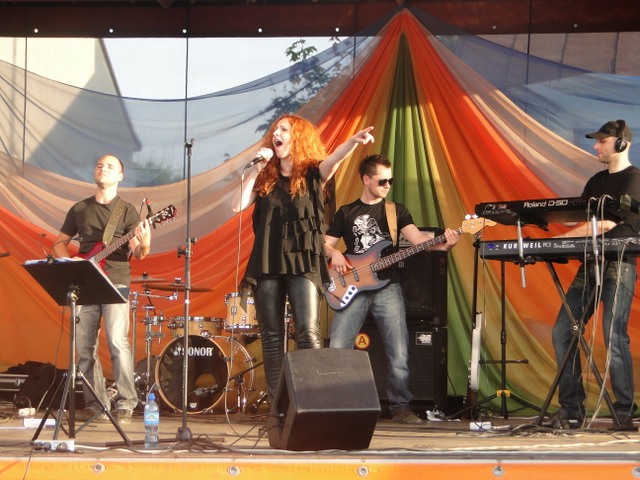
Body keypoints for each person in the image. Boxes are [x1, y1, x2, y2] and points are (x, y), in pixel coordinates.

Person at [231, 114, 375, 406]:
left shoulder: (312, 174)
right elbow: (237, 205)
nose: (277, 134)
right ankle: (277, 409)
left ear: (298, 137)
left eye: (284, 129)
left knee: (307, 331)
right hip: (268, 261)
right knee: (272, 336)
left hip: (303, 260)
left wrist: (352, 141)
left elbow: (334, 160)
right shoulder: (265, 177)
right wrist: (256, 169)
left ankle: (312, 403)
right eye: (275, 130)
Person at [324, 154, 459, 424]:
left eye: (390, 180)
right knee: (338, 348)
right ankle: (336, 407)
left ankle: (401, 408)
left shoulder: (396, 211)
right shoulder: (346, 212)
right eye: (382, 181)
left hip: (388, 286)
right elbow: (323, 243)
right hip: (351, 285)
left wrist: (445, 243)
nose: (387, 185)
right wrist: (334, 253)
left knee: (399, 352)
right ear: (366, 179)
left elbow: (418, 240)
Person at [551, 120, 640, 430]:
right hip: (590, 265)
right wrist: (538, 219)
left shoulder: (634, 180)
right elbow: (580, 217)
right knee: (563, 331)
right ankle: (571, 410)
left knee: (614, 335)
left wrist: (558, 241)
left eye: (602, 141)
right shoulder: (596, 181)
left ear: (621, 143)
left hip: (619, 265)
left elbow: (604, 224)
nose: (595, 146)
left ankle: (625, 412)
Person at [52, 154, 151, 425]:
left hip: (116, 279)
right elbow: (59, 244)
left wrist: (145, 242)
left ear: (120, 176)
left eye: (109, 166)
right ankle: (96, 404)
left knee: (118, 341)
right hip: (86, 281)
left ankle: (126, 403)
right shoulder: (79, 209)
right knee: (85, 347)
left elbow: (138, 252)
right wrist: (70, 261)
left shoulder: (127, 211)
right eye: (99, 165)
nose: (102, 169)